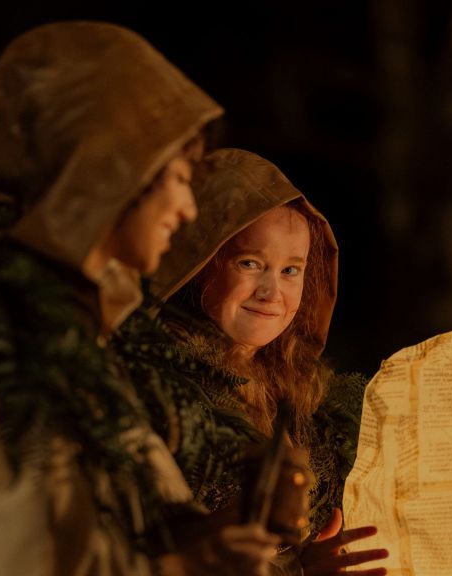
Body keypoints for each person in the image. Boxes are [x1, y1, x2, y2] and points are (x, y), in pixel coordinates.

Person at [0, 21, 280, 576]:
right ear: (115, 170)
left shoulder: (84, 340)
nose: (188, 209)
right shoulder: (9, 348)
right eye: (178, 176)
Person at [150, 148, 387, 576]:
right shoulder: (162, 387)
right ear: (200, 263)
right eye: (250, 263)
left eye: (290, 270)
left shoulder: (305, 401)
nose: (271, 291)